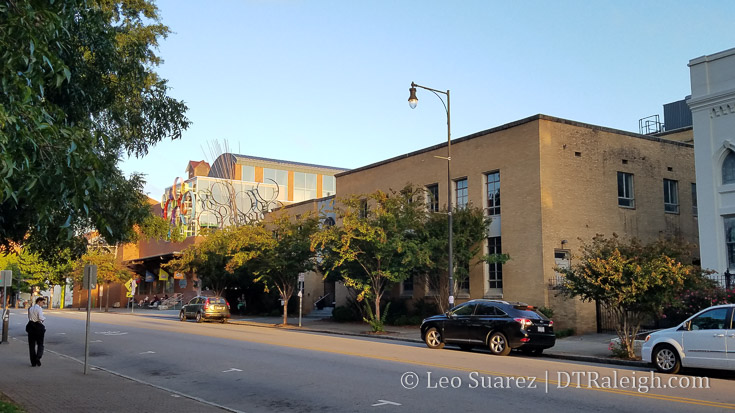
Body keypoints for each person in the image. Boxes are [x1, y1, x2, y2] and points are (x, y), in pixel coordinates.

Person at [26, 296, 46, 367]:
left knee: (31, 345)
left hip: (31, 326)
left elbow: (29, 317)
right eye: (43, 302)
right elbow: (40, 317)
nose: (43, 304)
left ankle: (33, 362)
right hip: (38, 326)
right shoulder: (39, 309)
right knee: (40, 343)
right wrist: (44, 318)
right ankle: (38, 357)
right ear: (39, 301)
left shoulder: (30, 308)